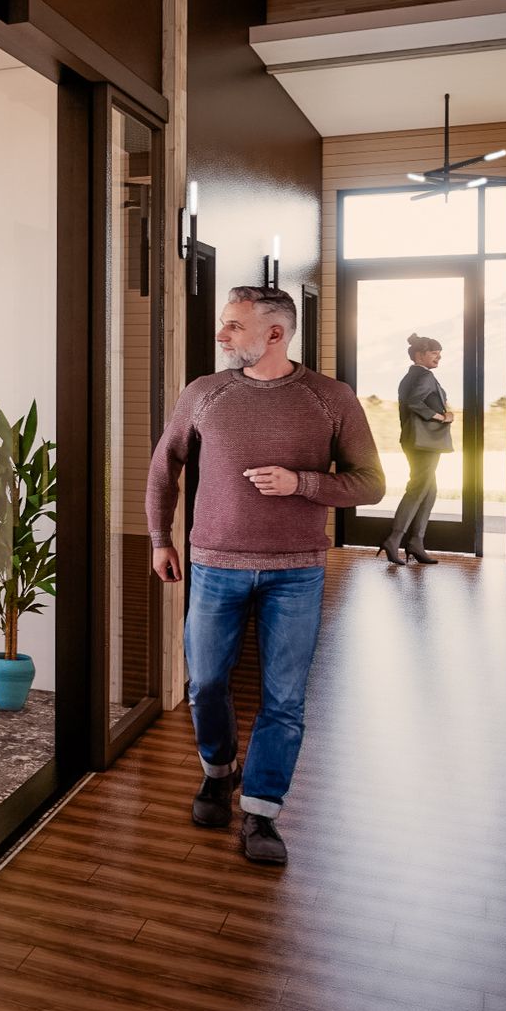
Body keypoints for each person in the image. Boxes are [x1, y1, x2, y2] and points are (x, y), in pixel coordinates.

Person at [144, 286, 385, 866]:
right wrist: (159, 539)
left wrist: (302, 483)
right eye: (224, 323)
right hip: (213, 566)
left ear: (275, 333)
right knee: (205, 683)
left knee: (283, 698)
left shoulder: (331, 398)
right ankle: (217, 773)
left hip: (296, 573)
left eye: (234, 326)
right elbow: (164, 467)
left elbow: (371, 483)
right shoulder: (204, 393)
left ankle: (261, 811)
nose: (221, 335)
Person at [381, 333, 455, 566]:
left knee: (429, 490)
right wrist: (441, 417)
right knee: (418, 488)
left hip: (415, 441)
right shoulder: (424, 376)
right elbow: (415, 402)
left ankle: (416, 542)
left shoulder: (411, 376)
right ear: (419, 355)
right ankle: (394, 539)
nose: (438, 357)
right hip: (425, 443)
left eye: (439, 354)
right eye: (434, 353)